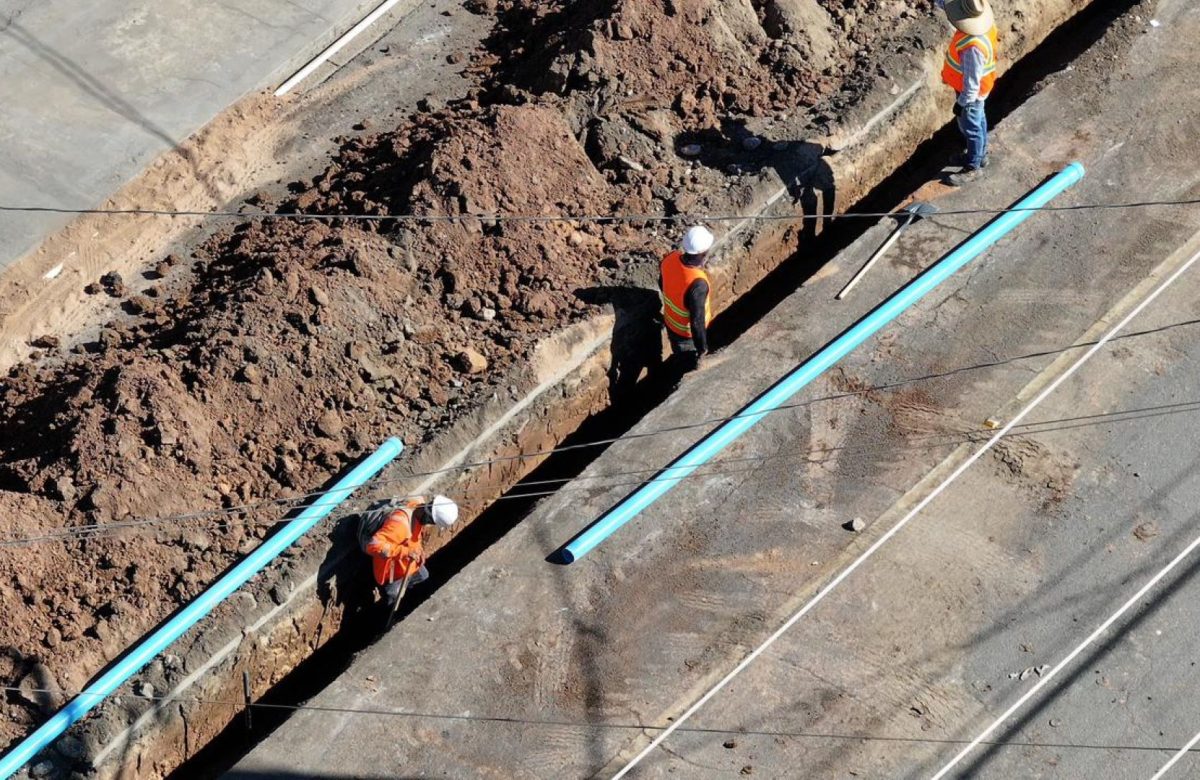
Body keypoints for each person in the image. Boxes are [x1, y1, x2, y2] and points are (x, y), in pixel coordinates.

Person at [357, 495, 458, 606]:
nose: (430, 524)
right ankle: (390, 619)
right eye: (432, 522)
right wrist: (405, 552)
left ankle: (409, 605)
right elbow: (373, 545)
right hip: (390, 572)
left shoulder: (418, 505)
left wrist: (418, 550)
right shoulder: (399, 525)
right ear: (428, 516)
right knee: (393, 596)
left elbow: (414, 536)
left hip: (407, 563)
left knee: (423, 577)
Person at [938, 0, 998, 186]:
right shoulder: (984, 27)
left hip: (971, 95)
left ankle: (973, 167)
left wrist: (962, 103)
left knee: (971, 128)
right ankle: (980, 154)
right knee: (979, 122)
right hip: (978, 92)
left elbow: (972, 82)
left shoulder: (972, 47)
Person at [659, 225, 714, 373]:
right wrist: (702, 349)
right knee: (687, 370)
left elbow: (662, 283)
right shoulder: (698, 284)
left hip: (671, 324)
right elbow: (697, 322)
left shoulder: (670, 259)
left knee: (679, 357)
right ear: (703, 253)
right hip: (686, 336)